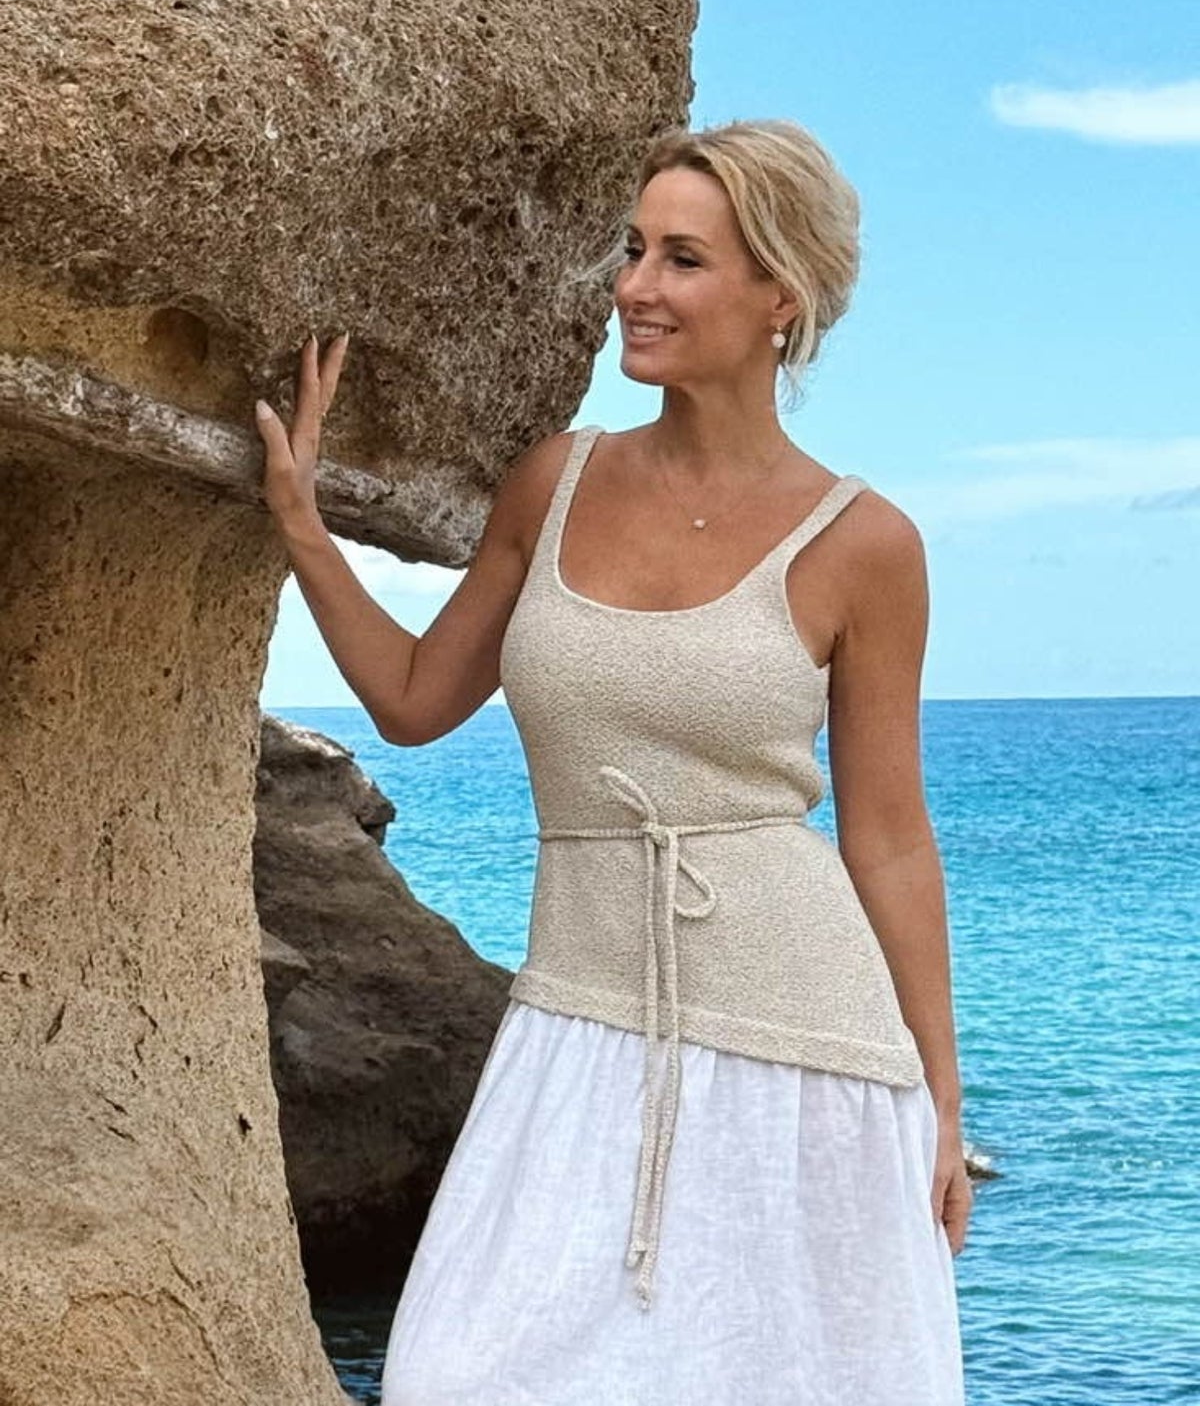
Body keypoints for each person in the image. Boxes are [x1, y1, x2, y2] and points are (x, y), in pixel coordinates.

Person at [255, 118, 972, 1405]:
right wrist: (306, 529)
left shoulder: (867, 544)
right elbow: (417, 700)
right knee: (454, 1371)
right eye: (634, 250)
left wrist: (943, 1103)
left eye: (682, 259)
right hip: (575, 1017)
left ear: (779, 299)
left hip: (801, 1034)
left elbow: (888, 834)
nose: (635, 287)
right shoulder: (557, 481)